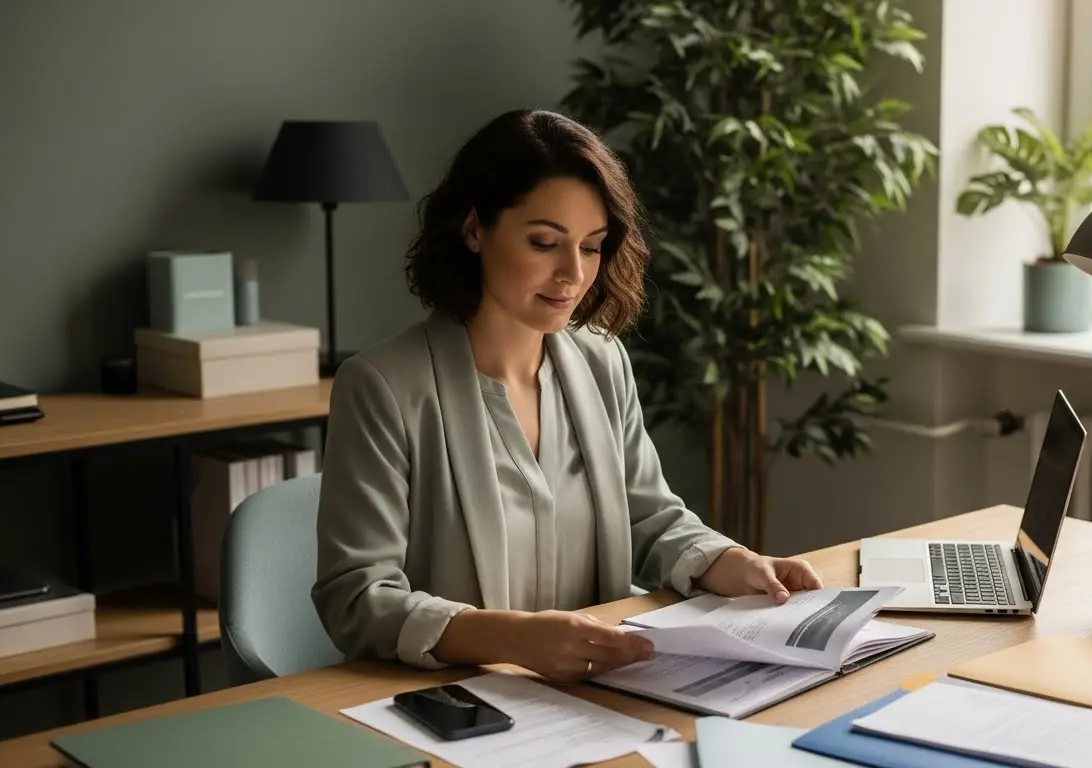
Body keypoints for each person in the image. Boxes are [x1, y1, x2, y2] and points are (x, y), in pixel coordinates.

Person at [311, 108, 824, 684]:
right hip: (456, 701)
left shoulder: (601, 361)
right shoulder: (382, 386)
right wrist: (514, 638)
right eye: (544, 242)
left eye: (591, 246)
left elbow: (649, 518)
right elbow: (356, 597)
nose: (572, 275)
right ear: (475, 229)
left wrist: (734, 564)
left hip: (601, 694)